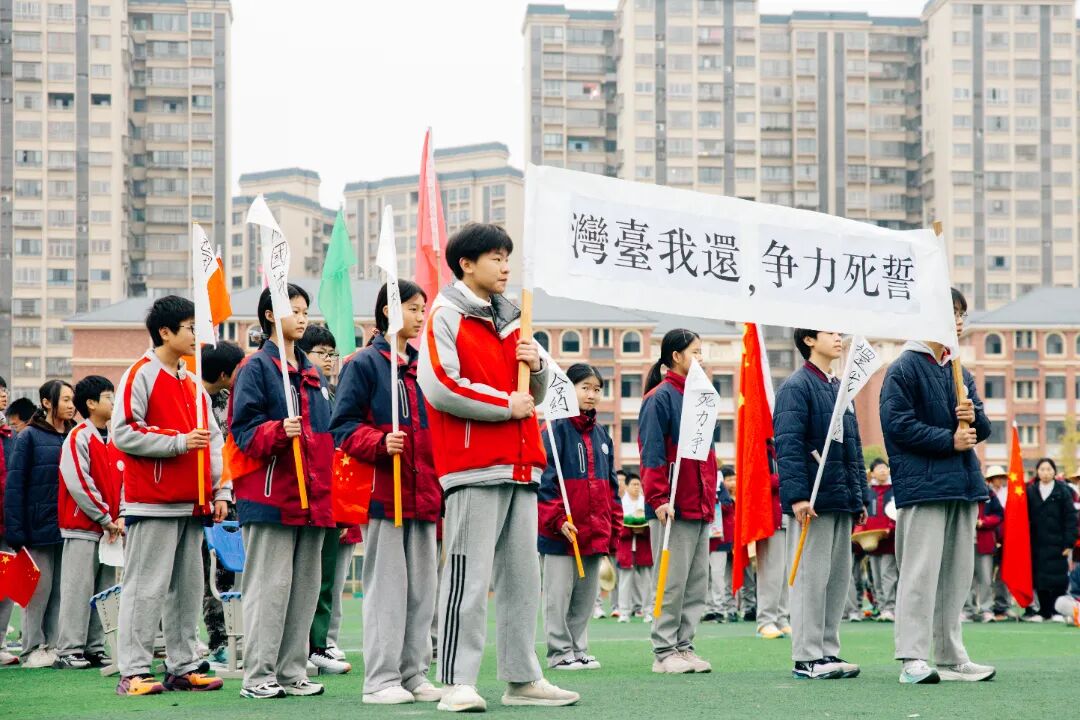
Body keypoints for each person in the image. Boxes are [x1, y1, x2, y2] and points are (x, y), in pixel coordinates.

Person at [417, 223, 578, 712]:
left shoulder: (512, 317)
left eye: (508, 257)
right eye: (495, 257)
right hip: (473, 466)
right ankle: (456, 681)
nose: (506, 266)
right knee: (468, 576)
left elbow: (535, 394)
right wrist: (505, 404)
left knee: (523, 580)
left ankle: (521, 677)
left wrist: (539, 366)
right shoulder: (444, 314)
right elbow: (441, 384)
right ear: (466, 264)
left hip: (522, 464)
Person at [331, 280, 443, 703]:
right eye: (412, 308)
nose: (419, 316)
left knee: (422, 593)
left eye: (422, 308)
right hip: (385, 495)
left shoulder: (421, 368)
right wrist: (379, 442)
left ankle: (414, 674)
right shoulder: (364, 364)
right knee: (387, 591)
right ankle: (380, 680)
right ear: (388, 311)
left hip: (424, 495)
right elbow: (342, 426)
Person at [112, 296, 228, 696]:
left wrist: (221, 489)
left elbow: (214, 440)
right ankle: (133, 671)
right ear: (165, 332)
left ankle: (183, 666)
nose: (197, 335)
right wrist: (178, 442)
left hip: (193, 504)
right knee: (145, 587)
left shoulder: (193, 383)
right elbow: (124, 432)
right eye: (191, 327)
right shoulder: (139, 374)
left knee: (188, 590)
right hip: (152, 502)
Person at [879, 287, 995, 684]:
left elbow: (982, 428)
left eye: (962, 314)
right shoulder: (904, 367)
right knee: (920, 573)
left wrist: (973, 416)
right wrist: (949, 439)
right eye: (951, 313)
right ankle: (912, 657)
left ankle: (950, 655)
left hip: (963, 484)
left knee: (956, 576)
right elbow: (897, 425)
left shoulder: (958, 368)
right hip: (924, 487)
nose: (958, 322)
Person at [229, 284, 335, 699]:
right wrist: (277, 430)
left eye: (305, 310)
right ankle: (258, 676)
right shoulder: (255, 368)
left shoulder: (312, 373)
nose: (303, 317)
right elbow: (241, 431)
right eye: (294, 310)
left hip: (314, 499)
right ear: (271, 315)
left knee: (304, 591)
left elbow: (325, 437)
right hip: (271, 497)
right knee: (269, 589)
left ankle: (293, 672)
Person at [775, 330, 867, 681]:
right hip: (812, 501)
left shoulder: (840, 387)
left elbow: (853, 446)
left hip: (840, 499)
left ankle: (827, 650)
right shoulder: (796, 387)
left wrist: (859, 495)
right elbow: (788, 444)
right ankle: (807, 656)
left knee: (836, 580)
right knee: (810, 579)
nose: (838, 338)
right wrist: (798, 496)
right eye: (830, 332)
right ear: (809, 340)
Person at [639, 328, 716, 675]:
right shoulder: (660, 398)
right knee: (670, 581)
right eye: (695, 352)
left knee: (696, 582)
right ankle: (664, 651)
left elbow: (706, 454)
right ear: (676, 356)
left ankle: (684, 646)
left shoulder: (701, 397)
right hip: (672, 505)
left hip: (699, 503)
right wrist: (657, 497)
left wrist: (709, 496)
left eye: (701, 352)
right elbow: (652, 451)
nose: (700, 358)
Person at [538, 364, 621, 671]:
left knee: (585, 596)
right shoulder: (552, 429)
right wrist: (557, 518)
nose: (591, 394)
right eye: (585, 387)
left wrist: (613, 526)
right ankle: (559, 653)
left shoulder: (602, 435)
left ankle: (578, 648)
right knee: (558, 596)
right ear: (568, 389)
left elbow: (611, 485)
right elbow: (544, 480)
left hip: (594, 530)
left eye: (597, 389)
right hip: (561, 532)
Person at [3, 380, 76, 668]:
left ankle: (53, 646)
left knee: (60, 592)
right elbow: (15, 485)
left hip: (67, 525)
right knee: (38, 593)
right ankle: (32, 647)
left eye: (72, 399)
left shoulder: (73, 434)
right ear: (47, 402)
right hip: (37, 527)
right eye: (65, 399)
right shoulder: (29, 437)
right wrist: (16, 531)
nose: (71, 405)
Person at [54, 376, 122, 670]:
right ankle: (69, 649)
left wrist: (120, 516)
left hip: (110, 530)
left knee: (104, 590)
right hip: (82, 527)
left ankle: (94, 646)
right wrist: (105, 517)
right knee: (77, 589)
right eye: (109, 397)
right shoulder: (78, 436)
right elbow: (79, 482)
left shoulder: (116, 438)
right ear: (91, 404)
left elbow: (125, 481)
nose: (114, 402)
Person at [198, 341, 246, 669]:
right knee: (203, 575)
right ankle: (210, 639)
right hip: (201, 501)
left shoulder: (232, 401)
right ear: (224, 373)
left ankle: (227, 639)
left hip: (231, 500)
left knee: (226, 573)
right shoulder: (195, 402)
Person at [1025, 458, 1077, 622]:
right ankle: (1044, 611)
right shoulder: (1031, 491)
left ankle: (1057, 611)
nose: (1046, 473)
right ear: (1037, 472)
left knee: (1058, 577)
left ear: (1054, 471)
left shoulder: (1063, 490)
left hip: (1058, 542)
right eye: (1042, 469)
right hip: (1037, 543)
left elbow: (1071, 517)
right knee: (1040, 577)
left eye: (1049, 469)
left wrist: (1069, 543)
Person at [755, 441, 790, 640]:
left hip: (787, 517)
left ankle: (782, 618)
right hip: (769, 519)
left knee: (785, 573)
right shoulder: (761, 448)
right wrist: (787, 478)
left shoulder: (784, 446)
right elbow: (759, 481)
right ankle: (766, 620)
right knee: (771, 572)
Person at [861, 459, 898, 622]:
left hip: (889, 541)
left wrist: (890, 529)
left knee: (887, 575)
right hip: (871, 542)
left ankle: (890, 608)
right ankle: (881, 607)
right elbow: (863, 517)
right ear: (872, 473)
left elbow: (897, 513)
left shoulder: (895, 490)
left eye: (885, 468)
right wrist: (860, 535)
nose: (883, 471)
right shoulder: (868, 493)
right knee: (875, 577)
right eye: (879, 468)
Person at [964, 476, 1003, 624]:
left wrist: (984, 522)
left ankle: (987, 609)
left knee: (985, 578)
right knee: (965, 578)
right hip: (964, 541)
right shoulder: (961, 491)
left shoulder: (988, 494)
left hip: (984, 542)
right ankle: (968, 610)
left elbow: (999, 515)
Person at [616, 474, 653, 623]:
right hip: (626, 547)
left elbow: (652, 525)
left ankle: (648, 611)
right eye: (634, 484)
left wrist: (643, 530)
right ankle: (624, 612)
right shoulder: (621, 504)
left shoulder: (645, 503)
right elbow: (617, 526)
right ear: (627, 486)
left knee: (647, 582)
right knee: (625, 582)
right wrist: (629, 530)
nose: (636, 487)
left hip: (643, 547)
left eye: (639, 484)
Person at [703, 470, 735, 623]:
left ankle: (719, 609)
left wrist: (710, 503)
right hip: (704, 539)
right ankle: (709, 608)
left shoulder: (719, 484)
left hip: (719, 539)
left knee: (717, 576)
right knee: (705, 577)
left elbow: (727, 506)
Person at [0, 377, 16, 666]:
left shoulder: (10, 435)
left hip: (6, 521)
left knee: (6, 584)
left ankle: (0, 642)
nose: (3, 395)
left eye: (3, 391)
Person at [984, 465, 1012, 620]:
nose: (999, 480)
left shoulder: (1009, 494)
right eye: (996, 477)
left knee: (1003, 574)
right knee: (985, 575)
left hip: (1006, 539)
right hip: (988, 538)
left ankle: (1002, 606)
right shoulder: (985, 494)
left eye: (1001, 477)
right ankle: (985, 607)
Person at [299, 324, 339, 400]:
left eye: (331, 354)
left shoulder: (335, 394)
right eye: (321, 353)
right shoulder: (297, 389)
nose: (328, 359)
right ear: (304, 353)